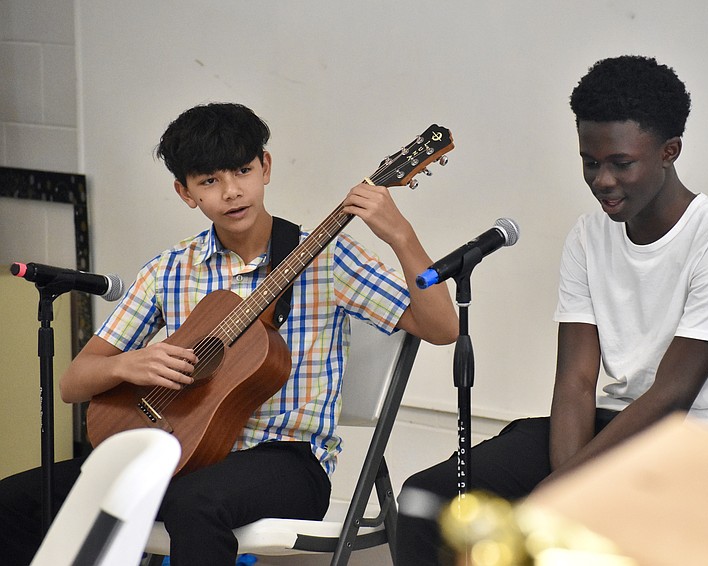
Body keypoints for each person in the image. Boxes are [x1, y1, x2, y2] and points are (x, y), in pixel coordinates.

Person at [0, 102, 458, 565]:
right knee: (16, 500)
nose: (232, 191)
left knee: (195, 505)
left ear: (266, 167)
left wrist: (401, 236)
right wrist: (129, 364)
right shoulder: (170, 269)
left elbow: (442, 328)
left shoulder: (329, 258)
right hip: (181, 452)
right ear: (185, 193)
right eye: (209, 181)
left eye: (243, 171)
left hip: (288, 461)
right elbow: (73, 383)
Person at [396, 54, 708, 564]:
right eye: (590, 162)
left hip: (698, 444)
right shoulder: (589, 236)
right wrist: (565, 489)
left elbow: (672, 395)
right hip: (612, 426)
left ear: (669, 151)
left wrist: (560, 495)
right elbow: (575, 381)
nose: (602, 180)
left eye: (621, 163)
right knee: (428, 500)